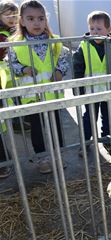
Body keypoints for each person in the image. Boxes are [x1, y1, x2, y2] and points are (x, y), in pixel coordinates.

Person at [8, 0, 68, 174]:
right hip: (32, 96)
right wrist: (23, 69)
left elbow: (63, 58)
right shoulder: (16, 43)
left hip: (52, 94)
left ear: (46, 20)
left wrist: (60, 71)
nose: (36, 23)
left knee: (56, 126)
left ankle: (58, 155)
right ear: (22, 21)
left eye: (41, 18)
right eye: (31, 18)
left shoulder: (54, 41)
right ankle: (42, 158)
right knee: (37, 129)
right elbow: (11, 64)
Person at [73, 11, 111, 156]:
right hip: (90, 90)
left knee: (108, 116)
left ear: (109, 30)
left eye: (99, 29)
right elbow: (77, 67)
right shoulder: (84, 45)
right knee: (89, 117)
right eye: (92, 29)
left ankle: (107, 141)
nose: (95, 32)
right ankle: (85, 143)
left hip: (109, 90)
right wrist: (78, 87)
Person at [0, 0, 18, 178]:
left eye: (15, 15)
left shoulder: (19, 31)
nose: (12, 18)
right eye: (8, 15)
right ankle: (3, 161)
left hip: (14, 82)